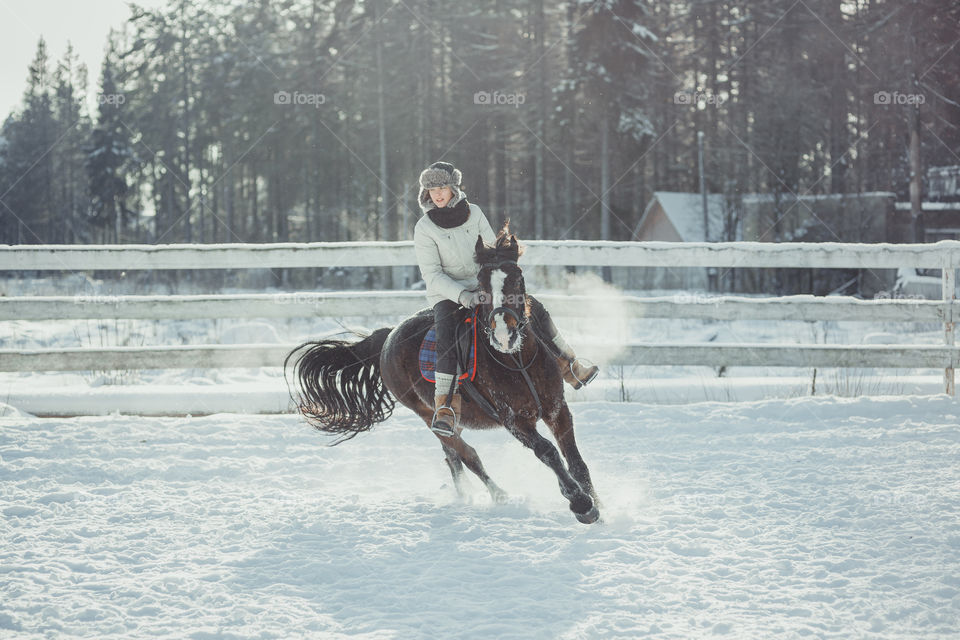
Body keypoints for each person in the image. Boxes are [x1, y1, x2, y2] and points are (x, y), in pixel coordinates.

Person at [413, 161, 599, 436]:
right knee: (447, 334)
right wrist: (463, 295)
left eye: (442, 187)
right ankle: (445, 405)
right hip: (448, 293)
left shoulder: (474, 213)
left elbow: (492, 250)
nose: (437, 194)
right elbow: (432, 274)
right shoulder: (424, 227)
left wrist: (491, 282)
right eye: (431, 189)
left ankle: (571, 365)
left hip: (484, 284)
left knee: (533, 308)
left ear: (453, 188)